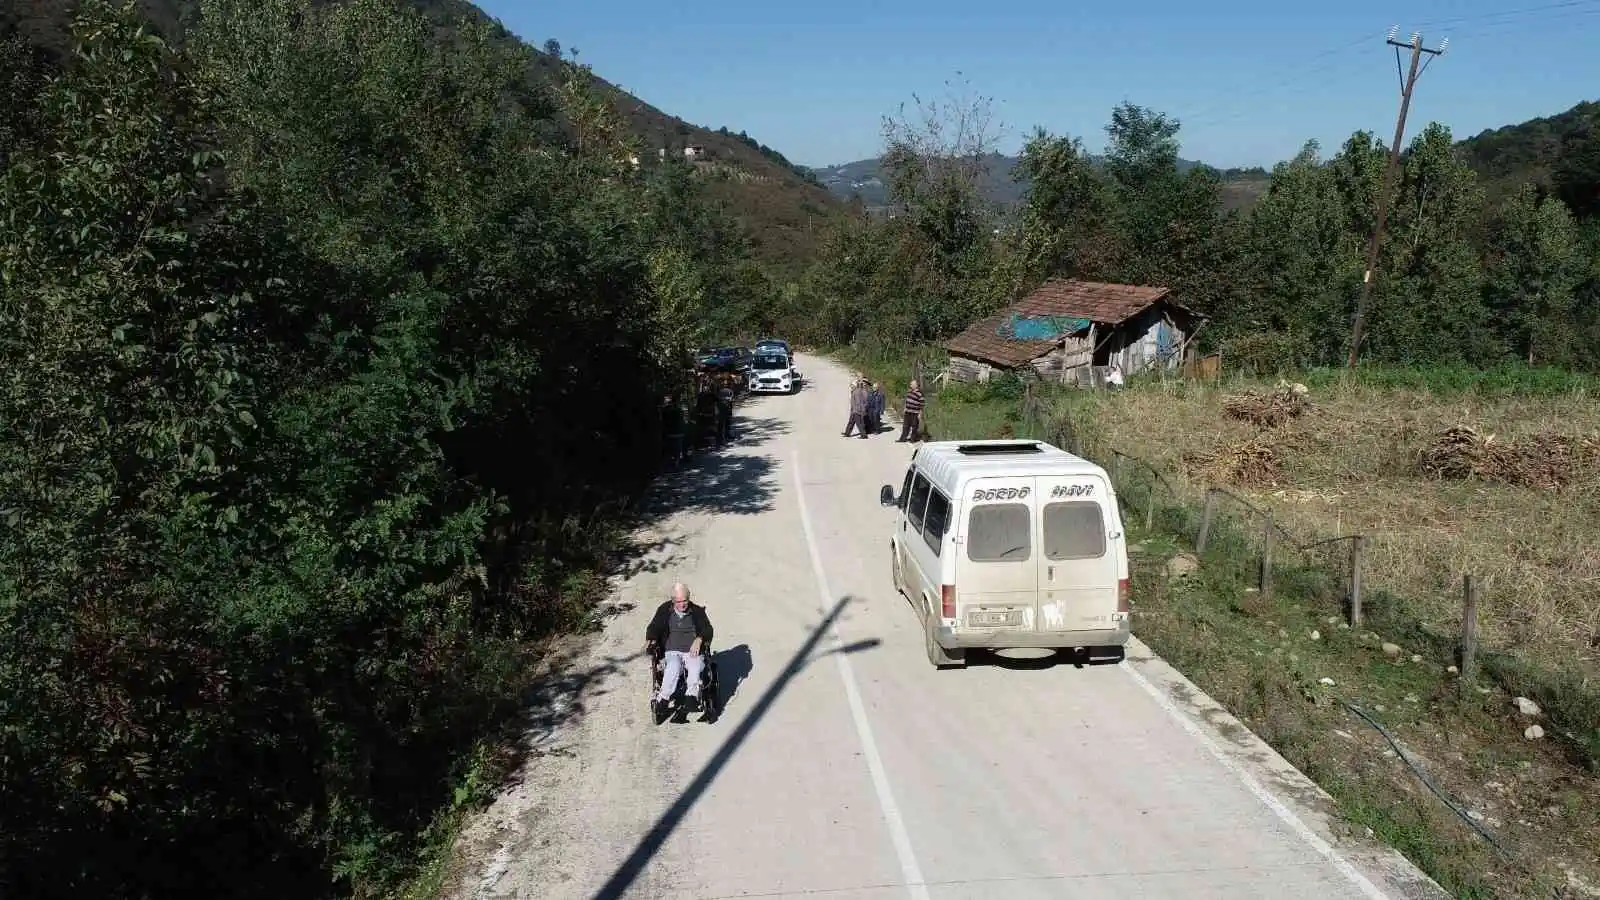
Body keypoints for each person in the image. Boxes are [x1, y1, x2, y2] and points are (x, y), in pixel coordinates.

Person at [645, 582, 713, 713]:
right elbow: (654, 626)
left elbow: (707, 629)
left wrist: (699, 639)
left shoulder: (697, 611)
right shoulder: (664, 610)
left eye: (685, 600)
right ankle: (663, 699)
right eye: (679, 601)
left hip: (692, 650)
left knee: (695, 664)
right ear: (673, 600)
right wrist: (651, 638)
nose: (682, 604)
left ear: (689, 598)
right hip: (672, 650)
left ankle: (691, 697)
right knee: (673, 666)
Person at [897, 379, 924, 443]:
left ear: (916, 385)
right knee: (905, 426)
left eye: (912, 384)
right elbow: (907, 400)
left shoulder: (920, 393)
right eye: (910, 384)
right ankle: (902, 439)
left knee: (914, 427)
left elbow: (922, 405)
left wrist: (920, 414)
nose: (910, 385)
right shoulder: (909, 391)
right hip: (908, 411)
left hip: (915, 413)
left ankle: (913, 439)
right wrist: (905, 408)